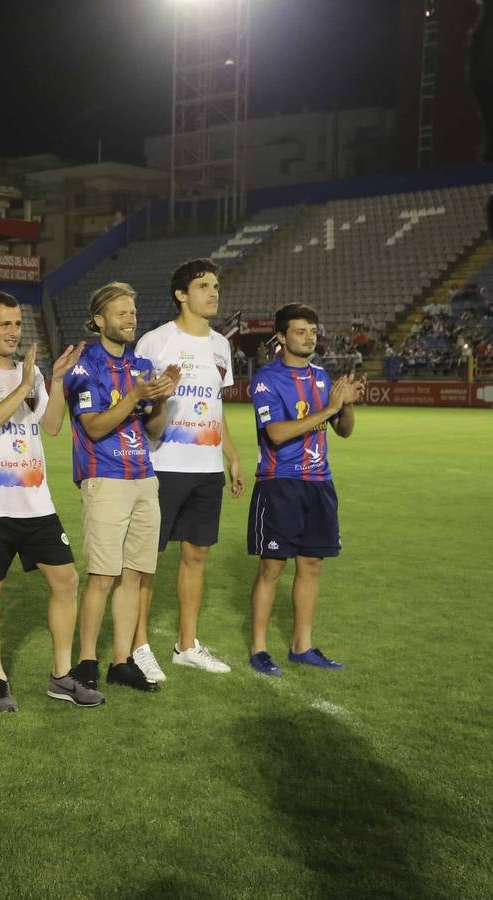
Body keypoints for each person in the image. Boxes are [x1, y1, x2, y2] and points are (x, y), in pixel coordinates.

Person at [0, 293, 101, 711]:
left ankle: (60, 675)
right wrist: (21, 388)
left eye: (18, 324)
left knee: (67, 580)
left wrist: (52, 380)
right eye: (5, 324)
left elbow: (52, 425)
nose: (13, 332)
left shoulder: (30, 371)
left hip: (35, 503)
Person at [63, 283, 179, 694]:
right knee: (102, 576)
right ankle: (87, 661)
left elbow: (155, 430)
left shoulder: (142, 365)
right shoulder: (84, 367)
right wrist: (135, 396)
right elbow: (93, 428)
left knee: (134, 575)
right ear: (98, 320)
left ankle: (121, 661)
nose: (130, 318)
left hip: (144, 478)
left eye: (133, 311)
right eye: (121, 313)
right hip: (105, 478)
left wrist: (161, 399)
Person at [133, 259, 244, 681]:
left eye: (215, 285)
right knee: (147, 560)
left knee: (196, 555)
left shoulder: (221, 346)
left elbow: (216, 408)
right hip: (163, 465)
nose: (213, 292)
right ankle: (139, 645)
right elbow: (137, 403)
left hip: (206, 468)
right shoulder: (156, 342)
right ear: (181, 294)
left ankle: (186, 645)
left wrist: (231, 455)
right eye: (203, 285)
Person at [246, 304, 364, 676]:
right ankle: (260, 649)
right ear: (281, 337)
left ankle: (302, 645)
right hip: (279, 482)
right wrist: (329, 409)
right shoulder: (266, 379)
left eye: (313, 330)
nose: (309, 337)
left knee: (312, 564)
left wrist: (345, 407)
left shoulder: (321, 376)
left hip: (319, 483)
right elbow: (277, 434)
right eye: (300, 331)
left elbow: (344, 431)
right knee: (272, 567)